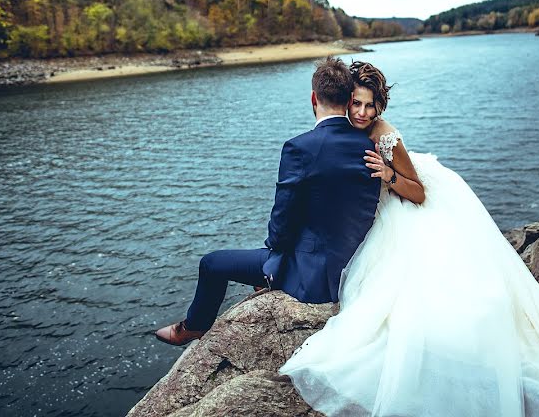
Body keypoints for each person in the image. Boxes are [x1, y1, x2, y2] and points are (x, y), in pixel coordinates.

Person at [279, 61, 539, 417]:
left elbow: (418, 191)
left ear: (380, 106)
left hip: (406, 200)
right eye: (357, 104)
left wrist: (386, 175)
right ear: (346, 101)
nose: (363, 112)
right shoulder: (342, 128)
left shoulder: (383, 134)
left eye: (371, 105)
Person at [155, 57, 381, 345]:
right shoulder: (369, 144)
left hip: (315, 276)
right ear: (350, 99)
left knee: (211, 263)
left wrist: (274, 258)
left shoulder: (300, 147)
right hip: (355, 265)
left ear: (313, 98)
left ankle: (193, 327)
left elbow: (282, 220)